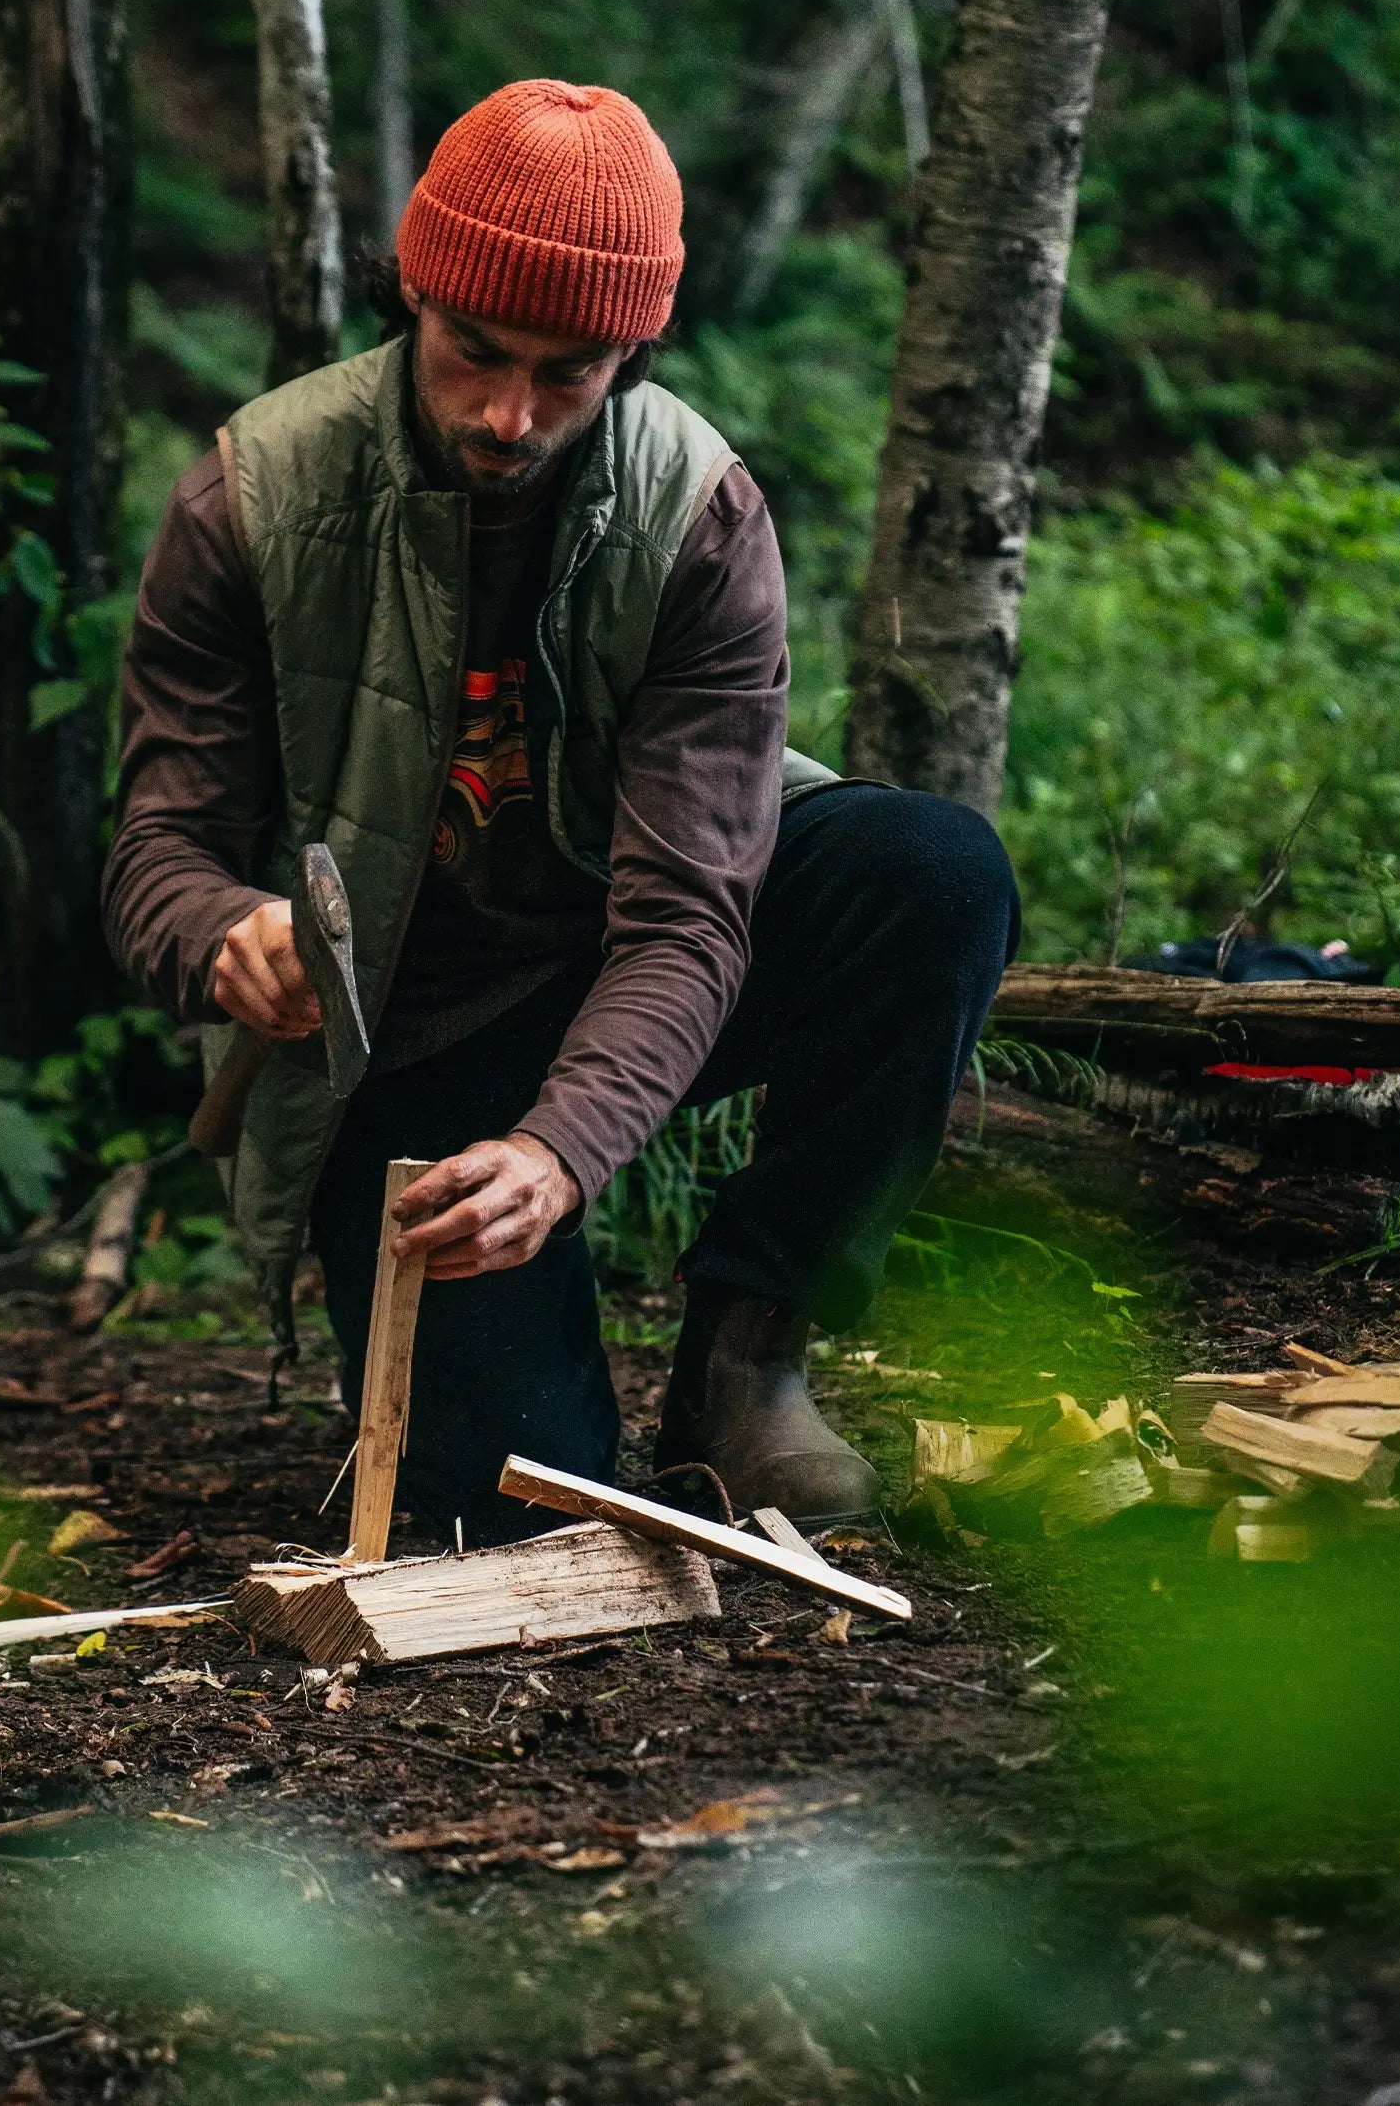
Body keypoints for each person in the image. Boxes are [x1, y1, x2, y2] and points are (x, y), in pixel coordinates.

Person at [103, 79, 1017, 1542]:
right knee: (508, 1507)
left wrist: (562, 1153)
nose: (508, 415)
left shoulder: (698, 517)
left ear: (633, 352)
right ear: (417, 289)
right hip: (404, 1036)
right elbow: (155, 851)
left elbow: (689, 915)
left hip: (628, 956)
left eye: (570, 373)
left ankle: (748, 1360)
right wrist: (224, 934)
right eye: (473, 352)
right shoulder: (250, 504)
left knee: (929, 872)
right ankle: (531, 1379)